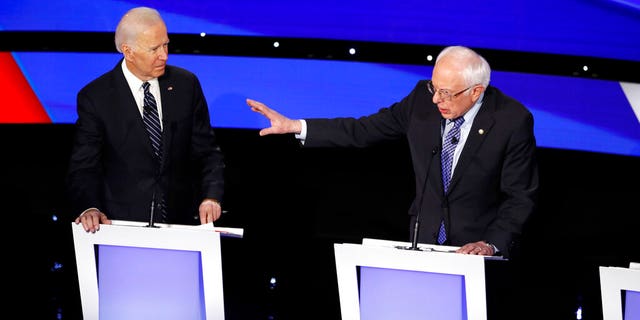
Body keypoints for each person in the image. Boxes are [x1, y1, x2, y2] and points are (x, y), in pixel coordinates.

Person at [247, 45, 538, 258]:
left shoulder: (511, 121)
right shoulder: (421, 102)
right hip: (421, 246)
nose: (437, 99)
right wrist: (295, 125)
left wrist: (490, 243)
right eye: (434, 88)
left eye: (447, 93)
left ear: (476, 91)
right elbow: (363, 130)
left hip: (477, 254)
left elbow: (520, 196)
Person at [67, 7, 225, 233]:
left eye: (166, 44)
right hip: (121, 227)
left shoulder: (186, 85)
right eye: (154, 48)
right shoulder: (96, 97)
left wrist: (211, 196)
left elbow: (207, 151)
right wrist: (89, 207)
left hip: (180, 225)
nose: (165, 55)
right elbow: (84, 166)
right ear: (128, 51)